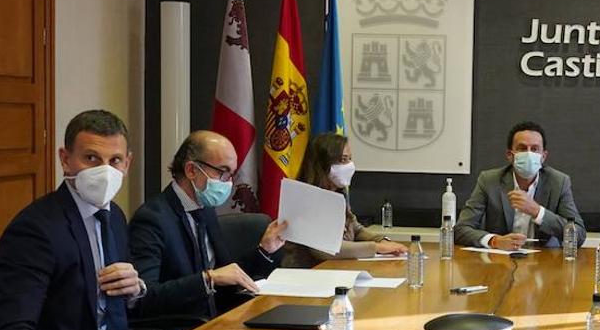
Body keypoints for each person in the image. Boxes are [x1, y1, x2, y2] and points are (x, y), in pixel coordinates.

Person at [0, 110, 145, 330]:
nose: (105, 171)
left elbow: (113, 303)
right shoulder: (36, 228)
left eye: (115, 161)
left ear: (128, 163)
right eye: (91, 159)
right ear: (65, 159)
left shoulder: (116, 217)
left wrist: (136, 290)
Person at [128, 130, 288, 318]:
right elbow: (145, 298)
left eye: (232, 174)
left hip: (218, 321)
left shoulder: (205, 210)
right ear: (191, 170)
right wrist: (208, 279)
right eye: (223, 172)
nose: (228, 182)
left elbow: (228, 275)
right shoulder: (152, 218)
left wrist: (264, 249)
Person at [454, 122, 585, 250]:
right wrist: (495, 241)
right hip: (500, 262)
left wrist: (537, 212)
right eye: (522, 148)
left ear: (543, 156)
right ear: (510, 156)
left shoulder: (559, 182)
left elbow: (578, 235)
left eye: (534, 149)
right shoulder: (489, 181)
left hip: (545, 262)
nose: (529, 154)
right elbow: (460, 230)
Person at [282, 132, 406, 268]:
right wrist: (375, 247)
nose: (349, 165)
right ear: (323, 164)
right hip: (305, 274)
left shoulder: (337, 193)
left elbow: (355, 228)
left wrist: (383, 241)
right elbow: (323, 249)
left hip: (335, 269)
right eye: (343, 160)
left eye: (350, 159)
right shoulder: (306, 198)